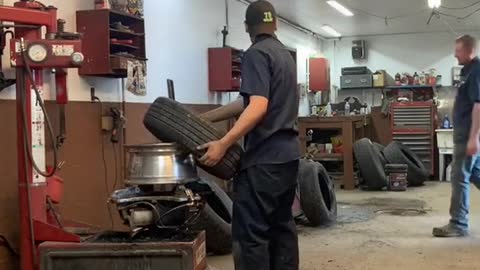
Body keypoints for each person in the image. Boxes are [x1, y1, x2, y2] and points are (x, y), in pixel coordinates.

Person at [197, 1, 300, 269]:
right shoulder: (284, 55)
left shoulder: (255, 54)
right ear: (275, 24)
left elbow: (257, 106)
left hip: (264, 160)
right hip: (288, 158)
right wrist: (206, 119)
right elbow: (250, 101)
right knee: (282, 230)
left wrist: (223, 142)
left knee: (251, 235)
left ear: (246, 27)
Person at [433, 35, 480, 237]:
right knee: (476, 173)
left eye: (458, 50)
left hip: (468, 135)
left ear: (469, 50)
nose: (454, 54)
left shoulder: (476, 71)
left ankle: (458, 224)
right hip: (464, 134)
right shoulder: (467, 71)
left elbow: (479, 105)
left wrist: (473, 138)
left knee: (459, 177)